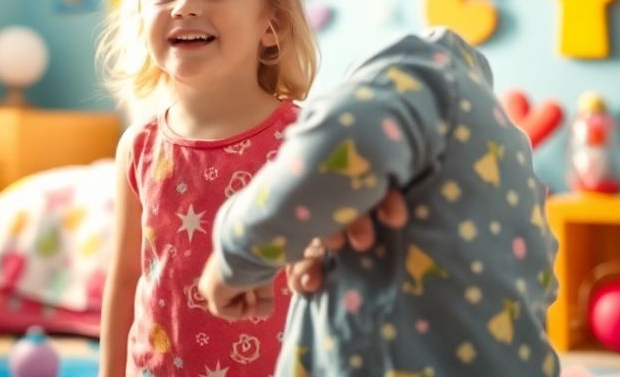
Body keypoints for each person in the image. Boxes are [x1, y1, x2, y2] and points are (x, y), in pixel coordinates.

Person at [200, 29, 561, 376]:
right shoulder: (508, 163)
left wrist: (237, 254)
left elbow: (345, 136)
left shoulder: (427, 71)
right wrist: (329, 248)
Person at [97, 0, 321, 377]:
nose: (184, 6)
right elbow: (124, 281)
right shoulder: (138, 148)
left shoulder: (305, 142)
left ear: (271, 26)